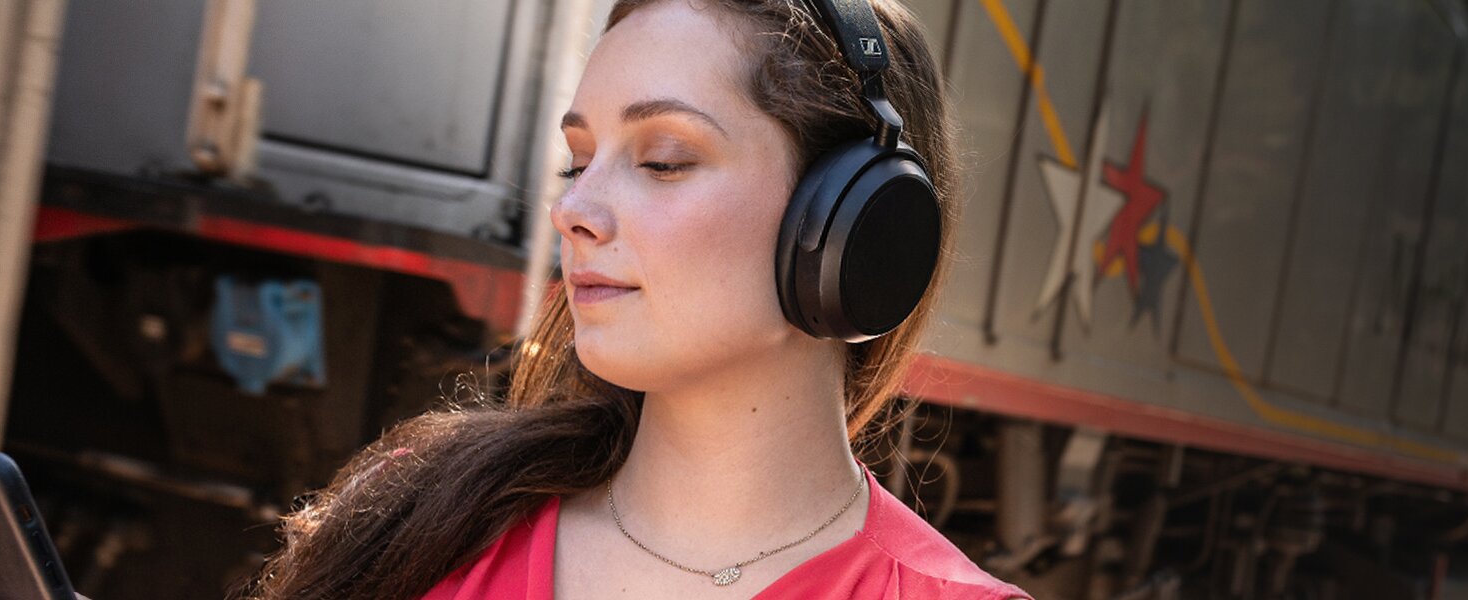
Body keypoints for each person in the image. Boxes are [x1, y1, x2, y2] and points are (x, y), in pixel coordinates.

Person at [245, 0, 1029, 598]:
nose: (572, 210)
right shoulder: (419, 524)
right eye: (577, 162)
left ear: (854, 223)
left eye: (660, 160)